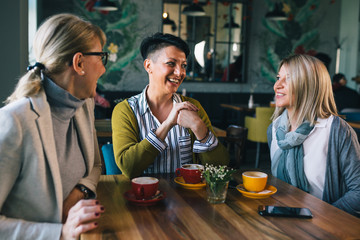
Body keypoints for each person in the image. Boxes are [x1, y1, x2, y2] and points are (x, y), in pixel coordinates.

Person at [0, 14, 107, 239]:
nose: (103, 69)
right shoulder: (14, 121)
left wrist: (80, 192)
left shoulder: (83, 104)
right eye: (101, 57)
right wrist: (59, 232)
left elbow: (96, 165)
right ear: (79, 63)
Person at [112, 32, 229, 179]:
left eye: (184, 65)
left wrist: (199, 128)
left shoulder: (192, 106)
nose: (180, 72)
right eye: (171, 63)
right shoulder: (126, 110)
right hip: (143, 197)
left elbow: (220, 168)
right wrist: (167, 124)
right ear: (149, 66)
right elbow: (129, 168)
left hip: (187, 198)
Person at [267, 54, 360, 217]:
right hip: (281, 219)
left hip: (326, 227)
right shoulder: (274, 129)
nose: (277, 85)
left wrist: (321, 217)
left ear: (309, 85)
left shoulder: (337, 130)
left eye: (288, 79)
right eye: (278, 78)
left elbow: (358, 192)